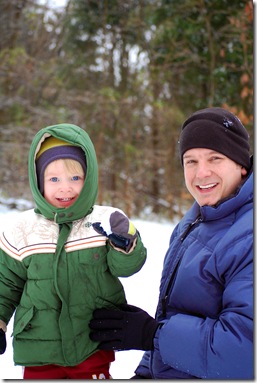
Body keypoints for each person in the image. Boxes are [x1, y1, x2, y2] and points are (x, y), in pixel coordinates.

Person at [89, 107, 253, 379]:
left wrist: (152, 334)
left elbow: (245, 351)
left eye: (215, 158)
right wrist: (145, 372)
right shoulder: (194, 221)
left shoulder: (248, 237)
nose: (201, 173)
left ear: (241, 165)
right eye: (191, 161)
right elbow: (170, 313)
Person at [0, 123, 147, 379]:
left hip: (90, 344)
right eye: (54, 179)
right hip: (39, 348)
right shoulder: (22, 230)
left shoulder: (104, 221)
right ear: (38, 181)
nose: (65, 187)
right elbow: (6, 284)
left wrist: (124, 243)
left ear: (88, 179)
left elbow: (127, 268)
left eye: (75, 178)